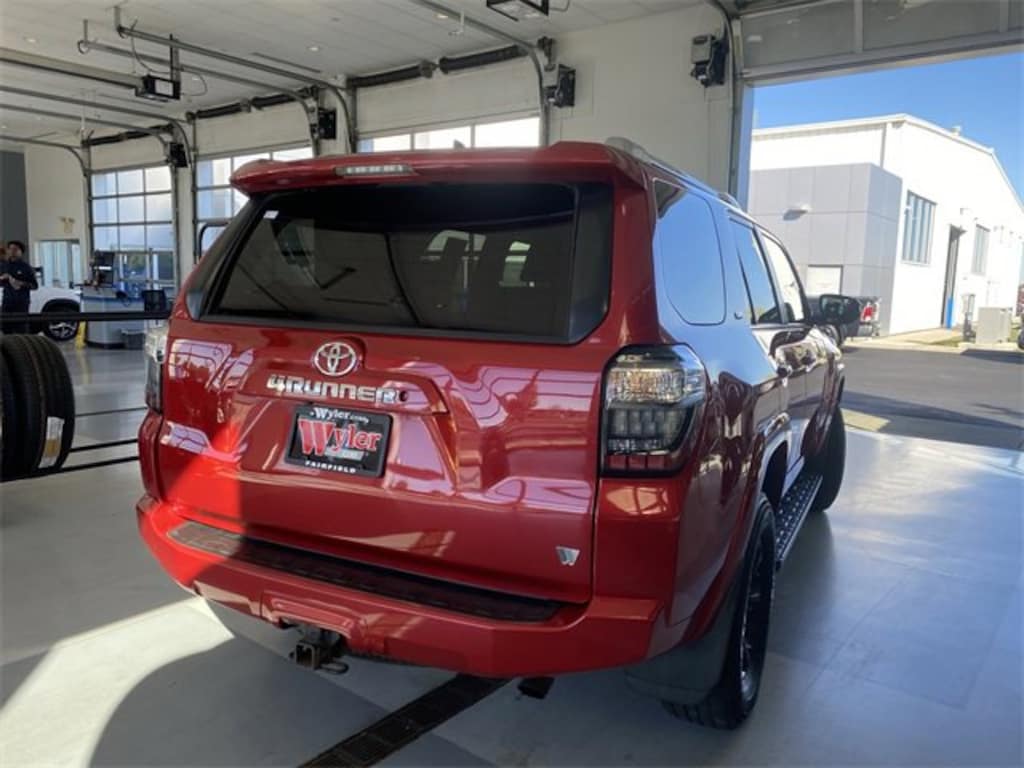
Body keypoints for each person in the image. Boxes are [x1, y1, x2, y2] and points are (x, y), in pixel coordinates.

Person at [1, 240, 39, 334]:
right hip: (7, 302)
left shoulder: (26, 267)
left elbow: (34, 286)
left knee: (21, 329)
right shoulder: (3, 266)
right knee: (6, 329)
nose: (12, 251)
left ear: (21, 252)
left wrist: (20, 283)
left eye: (15, 249)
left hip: (21, 303)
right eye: (10, 249)